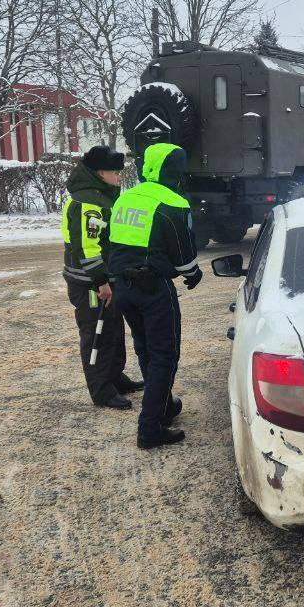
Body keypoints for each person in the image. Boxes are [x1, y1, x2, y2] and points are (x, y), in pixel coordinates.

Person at [108, 142, 204, 450]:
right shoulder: (172, 202)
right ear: (175, 171)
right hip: (153, 288)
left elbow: (112, 244)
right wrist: (192, 275)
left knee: (146, 350)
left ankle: (162, 406)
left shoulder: (126, 198)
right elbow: (183, 255)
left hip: (123, 287)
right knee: (165, 356)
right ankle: (150, 428)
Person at [61, 145, 143, 410]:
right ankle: (102, 390)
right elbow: (87, 246)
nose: (119, 176)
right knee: (97, 335)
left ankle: (114, 378)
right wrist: (100, 282)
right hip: (90, 284)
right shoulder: (87, 201)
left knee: (114, 331)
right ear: (100, 172)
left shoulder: (100, 195)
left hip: (105, 280)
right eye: (114, 172)